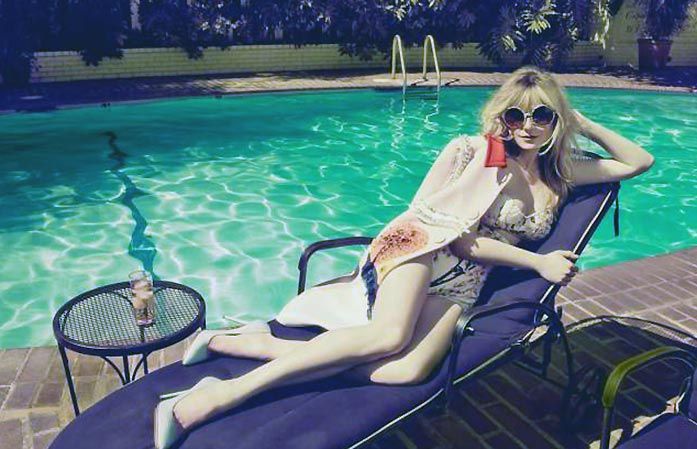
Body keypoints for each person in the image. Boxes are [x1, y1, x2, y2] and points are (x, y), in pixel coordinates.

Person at [154, 66, 655, 449]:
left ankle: (252, 343)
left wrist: (580, 122)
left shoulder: (560, 175)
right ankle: (219, 394)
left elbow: (639, 161)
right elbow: (457, 239)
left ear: (555, 121)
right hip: (426, 249)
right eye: (515, 115)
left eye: (541, 115)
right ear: (501, 118)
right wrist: (538, 264)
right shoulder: (479, 154)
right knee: (388, 337)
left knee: (407, 371)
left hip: (465, 284)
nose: (527, 126)